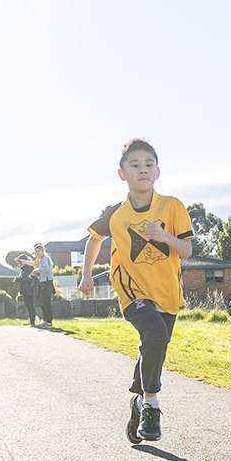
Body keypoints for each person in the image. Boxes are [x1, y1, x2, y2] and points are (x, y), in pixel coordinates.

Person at [78, 139, 194, 444]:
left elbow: (185, 250)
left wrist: (164, 235)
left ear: (157, 172)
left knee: (154, 346)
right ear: (122, 174)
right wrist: (86, 274)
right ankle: (151, 406)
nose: (142, 170)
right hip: (132, 291)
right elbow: (94, 240)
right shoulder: (116, 214)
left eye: (148, 165)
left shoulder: (173, 206)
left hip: (167, 292)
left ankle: (136, 399)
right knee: (154, 337)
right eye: (135, 165)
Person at [34, 244, 57, 327]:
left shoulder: (45, 259)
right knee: (43, 302)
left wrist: (36, 270)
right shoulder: (41, 260)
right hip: (43, 282)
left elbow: (46, 269)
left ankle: (49, 321)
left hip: (47, 282)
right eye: (36, 251)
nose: (37, 253)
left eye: (39, 251)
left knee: (46, 302)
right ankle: (45, 320)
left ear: (43, 251)